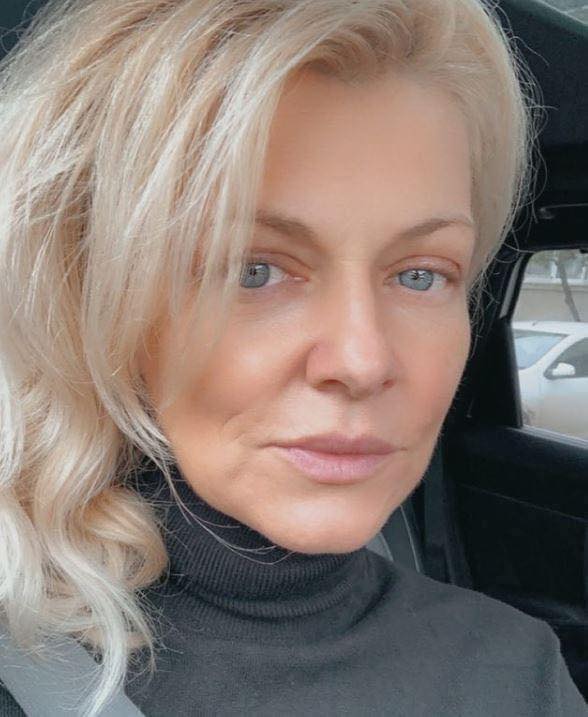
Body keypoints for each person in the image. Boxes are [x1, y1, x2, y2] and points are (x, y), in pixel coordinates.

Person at [0, 0, 585, 715]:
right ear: (88, 297)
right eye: (254, 270)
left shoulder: (520, 671)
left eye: (420, 275)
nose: (363, 361)